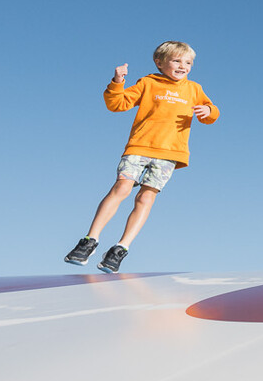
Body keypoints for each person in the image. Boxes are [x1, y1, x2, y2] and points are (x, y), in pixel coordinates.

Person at [63, 41, 220, 272]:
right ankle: (89, 240)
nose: (182, 66)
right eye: (176, 61)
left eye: (187, 62)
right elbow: (117, 104)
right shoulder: (148, 83)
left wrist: (208, 111)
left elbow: (211, 112)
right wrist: (118, 82)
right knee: (122, 188)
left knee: (145, 199)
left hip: (169, 154)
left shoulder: (194, 89)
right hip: (139, 147)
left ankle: (120, 248)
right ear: (160, 63)